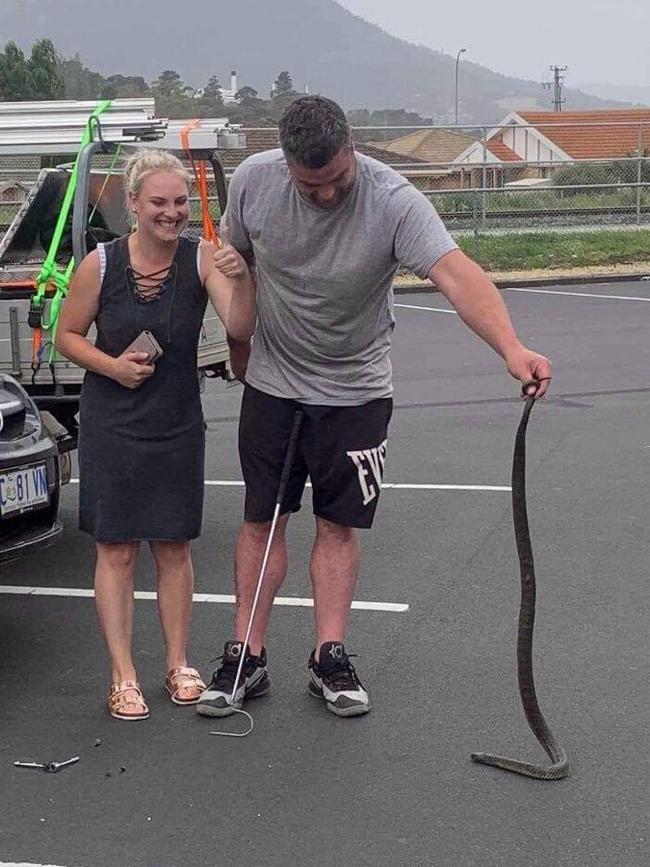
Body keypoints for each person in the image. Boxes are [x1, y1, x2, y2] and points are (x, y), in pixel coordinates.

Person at [196, 96, 551, 720]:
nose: (328, 195)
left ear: (351, 149)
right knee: (261, 520)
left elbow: (458, 275)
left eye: (337, 178)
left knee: (337, 526)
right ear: (284, 164)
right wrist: (239, 345)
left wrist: (512, 348)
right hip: (274, 384)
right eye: (312, 186)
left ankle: (328, 655)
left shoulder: (394, 201)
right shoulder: (254, 182)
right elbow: (237, 262)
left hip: (356, 388)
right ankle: (246, 656)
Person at [56, 149, 256, 720]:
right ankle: (123, 675)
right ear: (135, 206)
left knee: (174, 545)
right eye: (160, 203)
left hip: (175, 423)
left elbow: (241, 327)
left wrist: (242, 282)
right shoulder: (100, 264)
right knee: (116, 549)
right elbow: (67, 335)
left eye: (181, 203)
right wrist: (113, 366)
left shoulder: (203, 260)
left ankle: (178, 664)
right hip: (111, 425)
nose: (172, 213)